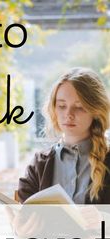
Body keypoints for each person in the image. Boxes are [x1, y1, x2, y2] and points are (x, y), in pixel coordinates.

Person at [18, 67, 110, 205]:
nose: (69, 114)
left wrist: (103, 219)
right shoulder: (39, 165)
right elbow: (23, 215)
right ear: (54, 109)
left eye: (79, 107)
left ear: (96, 111)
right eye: (61, 106)